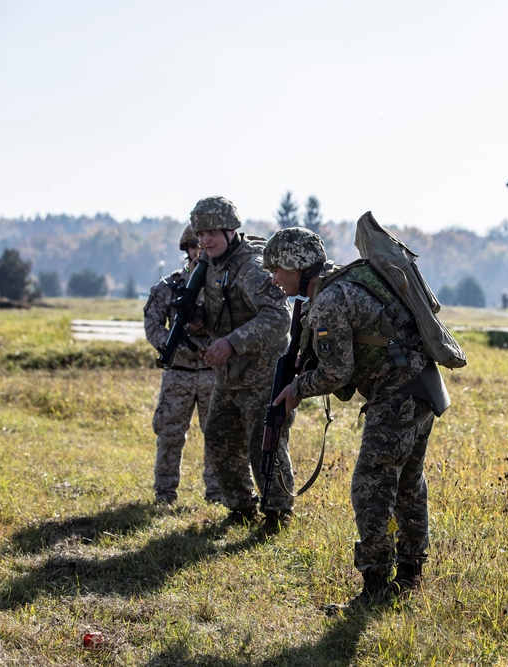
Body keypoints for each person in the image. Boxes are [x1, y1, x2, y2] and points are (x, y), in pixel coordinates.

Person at [264, 226, 450, 614]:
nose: (273, 278)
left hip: (399, 392)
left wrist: (297, 389)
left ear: (297, 267)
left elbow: (337, 372)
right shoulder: (342, 280)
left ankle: (375, 586)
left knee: (372, 484)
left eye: (277, 268)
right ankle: (410, 576)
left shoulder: (330, 298)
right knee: (407, 483)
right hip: (420, 385)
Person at [188, 196, 295, 531]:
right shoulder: (207, 267)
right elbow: (218, 314)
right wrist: (197, 321)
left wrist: (232, 343)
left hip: (264, 373)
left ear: (230, 230)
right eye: (200, 234)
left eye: (212, 233)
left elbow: (279, 317)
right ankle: (240, 507)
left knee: (263, 444)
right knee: (219, 436)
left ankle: (277, 512)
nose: (205, 240)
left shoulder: (251, 266)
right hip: (230, 375)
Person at [143, 225, 219, 505]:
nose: (199, 251)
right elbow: (152, 324)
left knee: (217, 436)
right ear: (186, 249)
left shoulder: (221, 286)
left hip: (213, 371)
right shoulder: (169, 286)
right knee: (170, 434)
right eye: (194, 245)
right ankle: (164, 493)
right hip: (179, 372)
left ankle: (218, 493)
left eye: (203, 246)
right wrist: (175, 346)